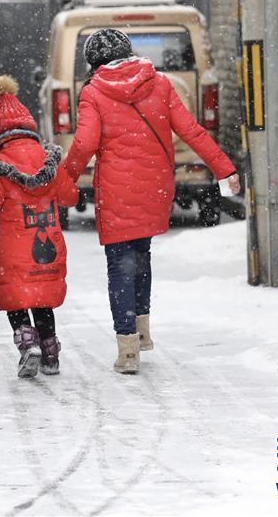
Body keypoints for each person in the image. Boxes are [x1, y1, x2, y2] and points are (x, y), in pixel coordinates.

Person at [63, 29, 240, 374]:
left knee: (119, 264)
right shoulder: (158, 83)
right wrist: (223, 168)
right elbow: (192, 131)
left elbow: (84, 145)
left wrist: (63, 182)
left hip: (116, 189)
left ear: (93, 62)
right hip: (155, 187)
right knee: (140, 255)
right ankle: (141, 332)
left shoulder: (94, 93)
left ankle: (127, 348)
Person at [0, 76, 79, 378]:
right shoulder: (48, 161)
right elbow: (71, 196)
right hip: (46, 247)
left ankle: (27, 343)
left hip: (13, 250)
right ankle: (50, 353)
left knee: (16, 297)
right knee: (43, 299)